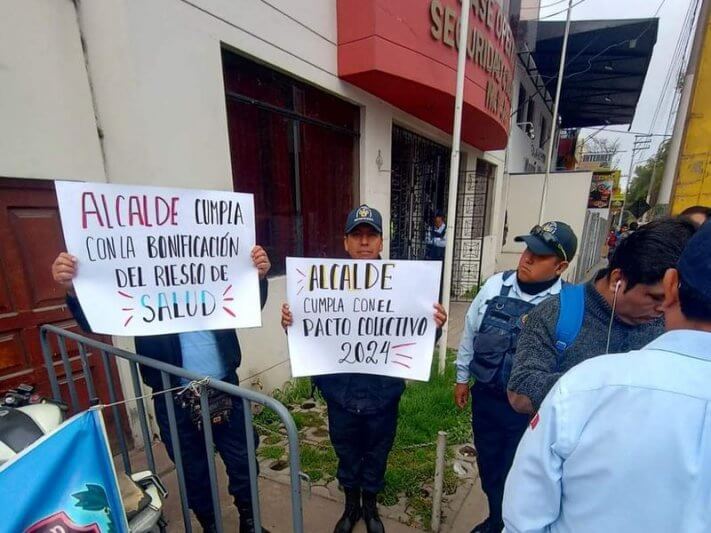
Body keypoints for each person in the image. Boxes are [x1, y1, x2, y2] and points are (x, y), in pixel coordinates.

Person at [502, 221, 711, 533]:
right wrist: (592, 391)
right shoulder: (558, 317)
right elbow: (520, 388)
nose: (657, 311)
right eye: (651, 298)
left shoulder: (655, 330)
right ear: (618, 279)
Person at [51, 247, 272, 533]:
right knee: (193, 471)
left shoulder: (213, 261)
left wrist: (259, 277)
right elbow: (96, 318)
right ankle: (210, 526)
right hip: (173, 398)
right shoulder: (139, 272)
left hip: (224, 387)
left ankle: (249, 522)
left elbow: (250, 305)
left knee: (243, 460)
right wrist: (73, 290)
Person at [281, 204, 447, 533]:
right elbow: (312, 332)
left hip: (383, 392)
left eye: (371, 235)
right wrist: (292, 323)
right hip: (341, 392)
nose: (365, 242)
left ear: (382, 242)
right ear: (346, 243)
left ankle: (370, 506)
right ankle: (350, 506)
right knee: (345, 449)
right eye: (357, 236)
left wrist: (434, 326)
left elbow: (415, 333)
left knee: (378, 449)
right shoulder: (322, 286)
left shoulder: (404, 286)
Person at [454, 221, 578, 533]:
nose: (527, 258)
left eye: (539, 255)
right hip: (487, 399)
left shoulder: (570, 305)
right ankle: (496, 518)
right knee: (490, 466)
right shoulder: (495, 286)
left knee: (522, 472)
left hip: (531, 412)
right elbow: (469, 332)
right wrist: (460, 377)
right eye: (527, 250)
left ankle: (513, 524)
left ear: (560, 266)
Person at [507, 217, 697, 415]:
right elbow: (520, 391)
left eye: (673, 300)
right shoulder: (555, 313)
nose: (663, 308)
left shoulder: (669, 326)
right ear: (617, 280)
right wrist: (605, 384)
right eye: (655, 297)